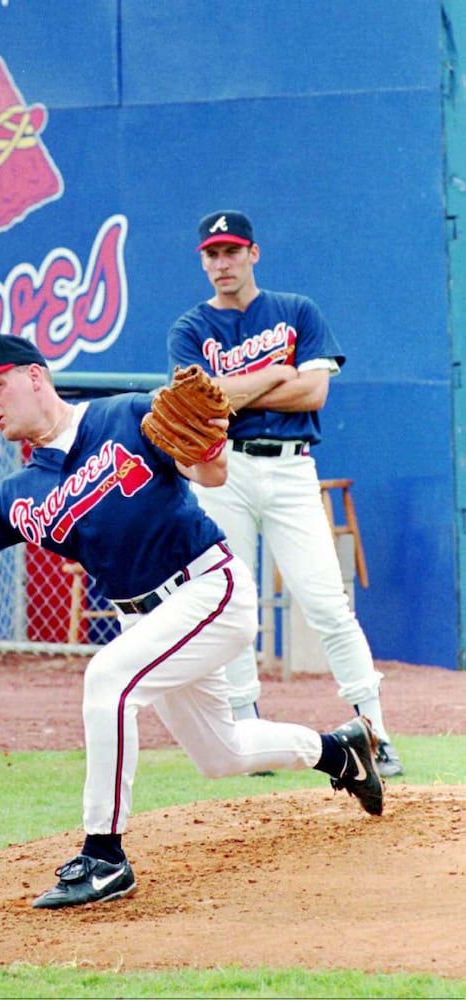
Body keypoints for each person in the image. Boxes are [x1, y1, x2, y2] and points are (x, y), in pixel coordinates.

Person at [0, 333, 384, 910]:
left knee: (108, 680)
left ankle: (104, 856)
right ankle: (340, 751)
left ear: (36, 377)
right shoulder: (15, 497)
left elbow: (212, 476)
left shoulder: (130, 413)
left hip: (207, 589)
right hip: (144, 624)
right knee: (222, 756)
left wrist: (211, 452)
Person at [167, 209, 402, 778]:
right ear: (203, 261)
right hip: (223, 469)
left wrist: (244, 388)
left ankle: (375, 731)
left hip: (292, 468)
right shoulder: (190, 328)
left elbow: (314, 392)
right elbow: (209, 400)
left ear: (254, 253)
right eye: (211, 254)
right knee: (232, 605)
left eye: (231, 251)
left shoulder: (297, 310)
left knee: (325, 601)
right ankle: (248, 732)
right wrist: (277, 373)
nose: (222, 263)